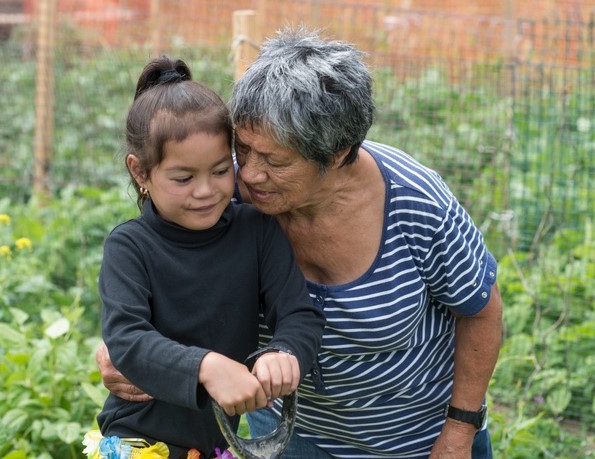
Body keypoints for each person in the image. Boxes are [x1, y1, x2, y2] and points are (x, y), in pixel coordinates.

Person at [97, 28, 503, 458]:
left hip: (417, 441)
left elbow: (481, 309)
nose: (249, 174)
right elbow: (150, 282)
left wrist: (460, 430)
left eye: (275, 161)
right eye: (245, 149)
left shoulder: (416, 201)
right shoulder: (218, 189)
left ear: (335, 155)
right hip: (287, 439)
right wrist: (125, 354)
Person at [91, 55, 325, 459]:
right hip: (139, 439)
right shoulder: (129, 247)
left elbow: (299, 314)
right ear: (140, 172)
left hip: (216, 445)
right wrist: (207, 366)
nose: (206, 191)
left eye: (220, 171)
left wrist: (286, 352)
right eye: (184, 178)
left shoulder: (257, 231)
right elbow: (127, 339)